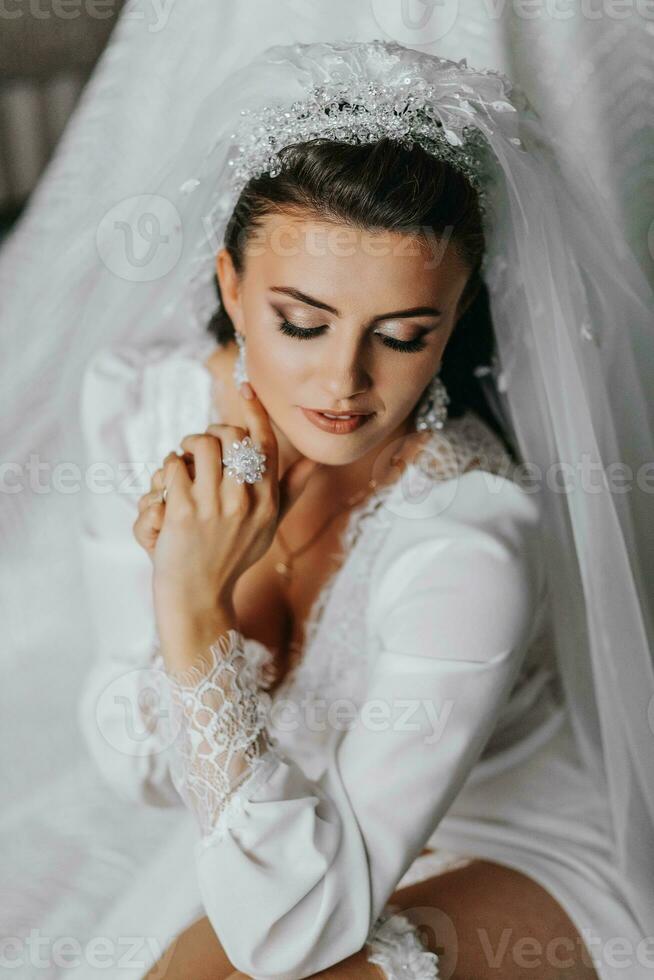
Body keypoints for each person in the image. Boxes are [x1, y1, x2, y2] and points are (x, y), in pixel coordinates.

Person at [70, 40, 654, 980]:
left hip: (510, 830)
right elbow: (129, 768)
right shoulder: (145, 406)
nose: (343, 382)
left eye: (402, 335)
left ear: (453, 322)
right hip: (282, 811)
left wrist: (191, 607)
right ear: (231, 286)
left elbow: (291, 933)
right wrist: (225, 611)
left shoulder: (468, 540)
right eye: (302, 322)